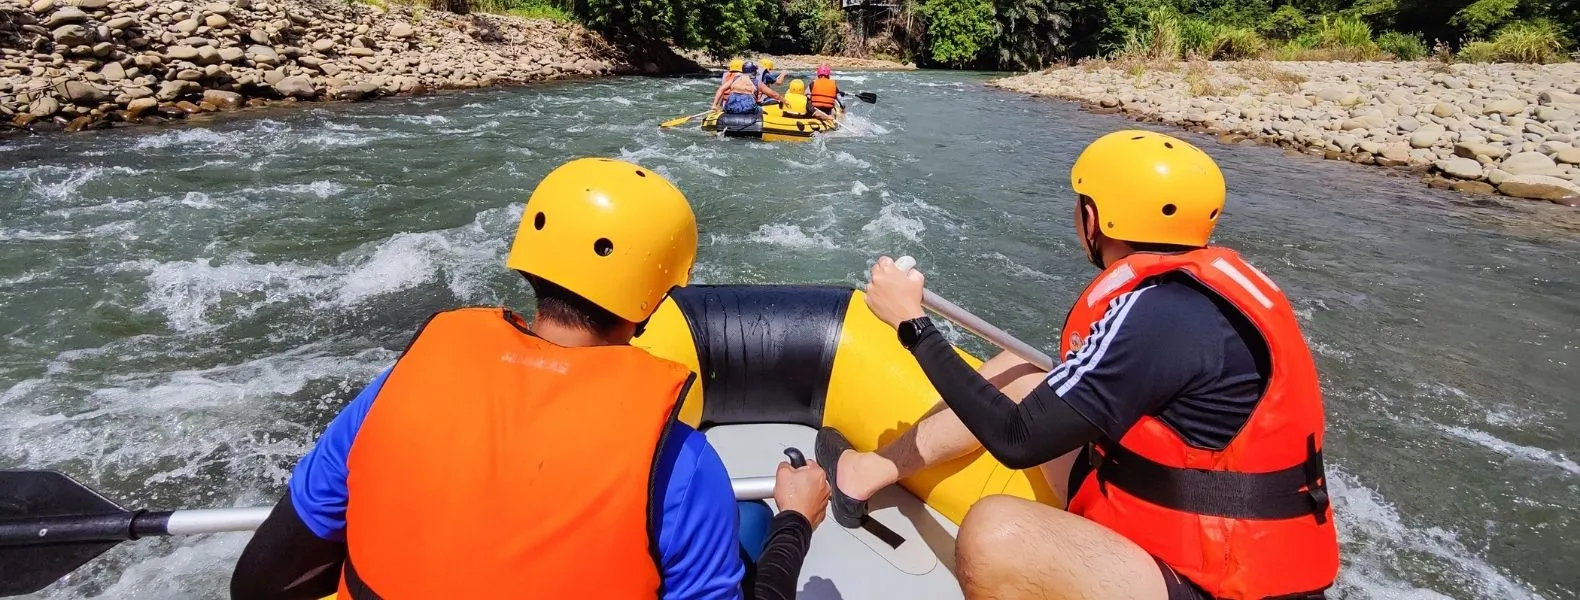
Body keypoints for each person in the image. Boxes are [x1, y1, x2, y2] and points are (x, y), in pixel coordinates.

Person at [230, 157, 831, 600]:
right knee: (751, 521)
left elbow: (260, 582)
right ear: (655, 300)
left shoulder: (391, 392)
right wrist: (795, 524)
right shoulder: (683, 467)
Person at [825, 130, 1340, 599]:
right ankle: (866, 472)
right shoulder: (1195, 297)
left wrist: (912, 324)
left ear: (1093, 219)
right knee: (1023, 372)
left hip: (1216, 584)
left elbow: (1016, 441)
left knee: (994, 533)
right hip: (1179, 516)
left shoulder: (1159, 317)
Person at [713, 61, 781, 115]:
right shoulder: (757, 82)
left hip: (728, 105)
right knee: (764, 112)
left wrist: (714, 105)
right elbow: (774, 93)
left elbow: (721, 90)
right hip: (749, 107)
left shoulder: (730, 77)